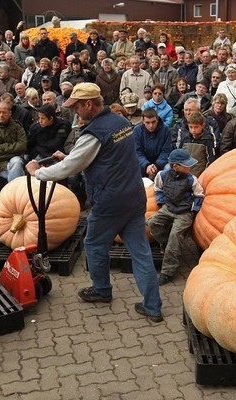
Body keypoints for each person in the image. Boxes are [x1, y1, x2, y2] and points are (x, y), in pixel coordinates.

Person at [25, 82, 163, 323]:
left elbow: (70, 168)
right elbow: (105, 157)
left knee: (94, 243)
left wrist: (37, 172)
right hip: (134, 196)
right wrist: (70, 156)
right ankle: (153, 307)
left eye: (77, 106)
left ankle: (101, 289)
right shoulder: (121, 123)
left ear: (89, 104)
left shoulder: (94, 132)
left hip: (110, 201)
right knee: (141, 252)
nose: (75, 111)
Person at [147, 148, 204, 285]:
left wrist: (193, 210)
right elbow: (157, 189)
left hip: (184, 213)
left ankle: (167, 272)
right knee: (152, 222)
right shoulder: (162, 175)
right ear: (175, 166)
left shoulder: (192, 179)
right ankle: (166, 244)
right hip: (168, 208)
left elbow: (199, 195)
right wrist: (161, 203)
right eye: (186, 165)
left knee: (175, 237)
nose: (190, 167)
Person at [0, 102, 27, 190]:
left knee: (16, 162)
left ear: (10, 113)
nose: (1, 115)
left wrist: (2, 147)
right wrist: (14, 151)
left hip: (13, 161)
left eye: (4, 112)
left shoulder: (17, 126)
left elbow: (22, 145)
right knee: (18, 168)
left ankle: (9, 192)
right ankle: (15, 191)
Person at [134, 108, 172, 179]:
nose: (151, 125)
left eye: (153, 122)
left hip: (161, 163)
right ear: (143, 121)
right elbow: (137, 152)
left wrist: (156, 165)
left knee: (169, 169)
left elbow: (166, 151)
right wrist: (146, 165)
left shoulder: (165, 130)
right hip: (142, 164)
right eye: (147, 122)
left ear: (157, 119)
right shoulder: (137, 131)